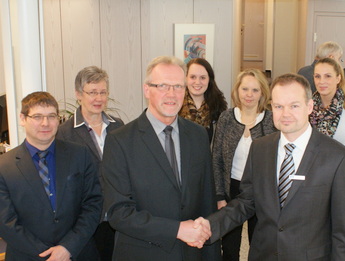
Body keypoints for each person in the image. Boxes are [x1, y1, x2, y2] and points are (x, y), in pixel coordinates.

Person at [198, 73, 345, 260]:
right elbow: (247, 202)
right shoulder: (260, 148)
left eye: (294, 106)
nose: (286, 114)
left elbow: (343, 234)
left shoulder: (339, 158)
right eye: (279, 106)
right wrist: (210, 226)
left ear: (310, 107)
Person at [101, 56, 220, 260]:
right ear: (147, 89)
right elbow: (118, 213)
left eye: (178, 87)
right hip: (142, 253)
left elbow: (207, 203)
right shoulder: (119, 141)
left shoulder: (198, 135)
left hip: (192, 253)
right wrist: (176, 230)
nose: (172, 94)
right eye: (163, 86)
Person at [0, 91, 102, 260]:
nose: (45, 123)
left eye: (51, 116)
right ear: (22, 119)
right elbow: (6, 222)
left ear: (58, 119)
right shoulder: (4, 166)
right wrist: (47, 255)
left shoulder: (79, 155)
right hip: (28, 256)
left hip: (77, 253)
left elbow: (93, 204)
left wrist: (67, 248)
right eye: (37, 117)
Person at [57, 66, 124, 261]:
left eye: (103, 92)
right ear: (78, 94)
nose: (99, 98)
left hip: (117, 218)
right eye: (92, 92)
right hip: (85, 223)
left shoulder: (118, 126)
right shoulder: (64, 133)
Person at [212, 68, 276, 260]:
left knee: (259, 244)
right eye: (245, 89)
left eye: (255, 90)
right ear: (237, 91)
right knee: (230, 247)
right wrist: (220, 195)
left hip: (261, 191)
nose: (249, 95)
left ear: (263, 93)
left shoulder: (272, 120)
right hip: (232, 188)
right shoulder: (226, 118)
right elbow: (216, 159)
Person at [310, 57, 345, 149]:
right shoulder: (308, 108)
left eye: (328, 76)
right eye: (317, 76)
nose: (321, 81)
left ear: (338, 78)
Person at [179, 58, 227, 143]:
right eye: (193, 77)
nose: (197, 82)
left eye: (202, 78)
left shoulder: (219, 109)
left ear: (209, 80)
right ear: (185, 78)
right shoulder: (175, 105)